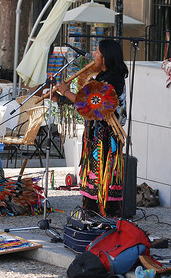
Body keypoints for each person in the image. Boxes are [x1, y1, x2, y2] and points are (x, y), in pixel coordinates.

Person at [55, 39, 128, 217]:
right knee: (93, 176)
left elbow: (92, 103)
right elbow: (86, 105)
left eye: (97, 51)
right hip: (96, 136)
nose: (94, 54)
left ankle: (104, 216)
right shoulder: (102, 77)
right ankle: (92, 214)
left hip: (107, 138)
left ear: (105, 57)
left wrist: (66, 92)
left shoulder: (113, 80)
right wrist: (60, 98)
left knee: (104, 176)